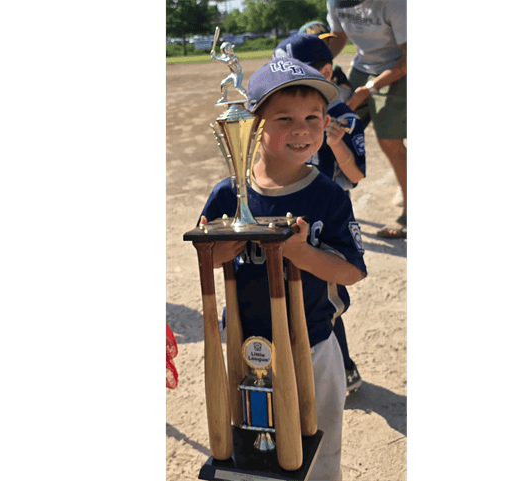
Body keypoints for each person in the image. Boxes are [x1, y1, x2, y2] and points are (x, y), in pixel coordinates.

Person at [198, 59, 367, 481]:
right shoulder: (228, 192)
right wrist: (225, 246)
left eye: (313, 118)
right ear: (254, 126)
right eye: (285, 119)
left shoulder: (327, 194)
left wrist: (299, 252)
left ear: (326, 122)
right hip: (245, 344)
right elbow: (208, 255)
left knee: (319, 444)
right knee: (256, 445)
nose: (302, 130)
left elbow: (351, 273)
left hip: (312, 344)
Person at [274, 32, 367, 393]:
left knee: (323, 296)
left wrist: (336, 142)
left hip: (322, 218)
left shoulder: (342, 116)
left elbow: (356, 175)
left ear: (327, 72)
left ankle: (343, 365)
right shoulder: (278, 112)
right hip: (280, 211)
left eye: (297, 71)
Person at [326, 0, 408, 238]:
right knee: (336, 128)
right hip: (363, 67)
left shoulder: (395, 4)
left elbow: (408, 59)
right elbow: (339, 36)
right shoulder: (336, 1)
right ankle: (330, 205)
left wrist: (368, 89)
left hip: (398, 68)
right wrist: (314, 61)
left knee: (389, 141)